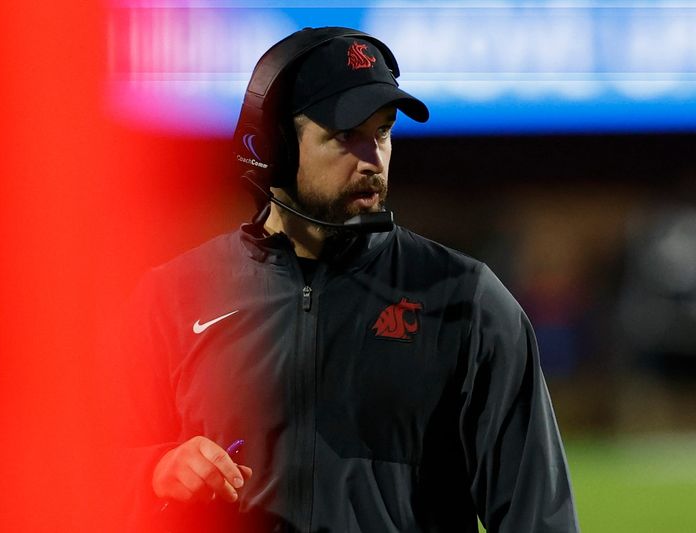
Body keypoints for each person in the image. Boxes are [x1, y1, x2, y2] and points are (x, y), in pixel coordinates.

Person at [116, 27, 579, 532]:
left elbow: (538, 517)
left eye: (382, 131)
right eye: (345, 135)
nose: (373, 159)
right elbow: (85, 475)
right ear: (272, 148)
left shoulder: (466, 300)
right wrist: (155, 470)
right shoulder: (171, 298)